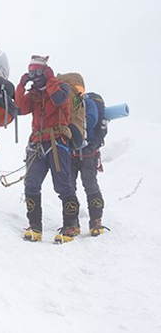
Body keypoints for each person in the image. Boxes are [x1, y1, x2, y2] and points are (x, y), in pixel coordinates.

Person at [14, 56, 80, 243]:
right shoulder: (34, 94)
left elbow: (59, 99)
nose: (34, 76)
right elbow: (19, 108)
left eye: (37, 72)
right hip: (37, 143)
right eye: (31, 72)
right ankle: (35, 227)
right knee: (31, 184)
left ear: (46, 72)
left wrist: (51, 80)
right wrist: (21, 85)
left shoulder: (61, 88)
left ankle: (70, 225)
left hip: (56, 142)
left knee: (63, 186)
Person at [71, 90, 109, 236]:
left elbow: (90, 122)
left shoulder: (87, 103)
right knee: (85, 186)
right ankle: (94, 221)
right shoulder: (84, 103)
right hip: (85, 153)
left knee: (85, 186)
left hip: (82, 152)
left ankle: (76, 222)